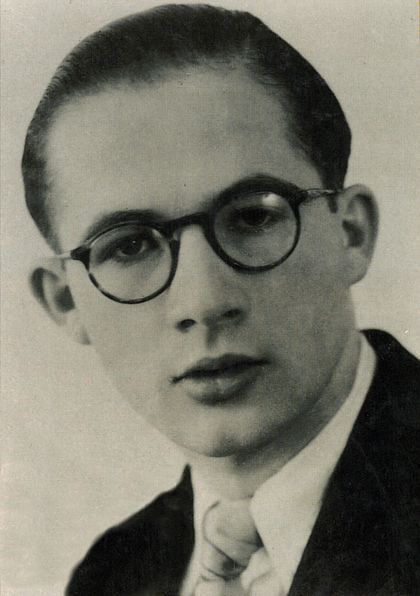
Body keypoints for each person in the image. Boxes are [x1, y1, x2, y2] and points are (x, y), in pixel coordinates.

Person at [21, 4, 419, 595]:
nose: (204, 301)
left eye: (253, 217)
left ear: (351, 233)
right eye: (130, 246)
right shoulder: (113, 575)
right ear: (66, 302)